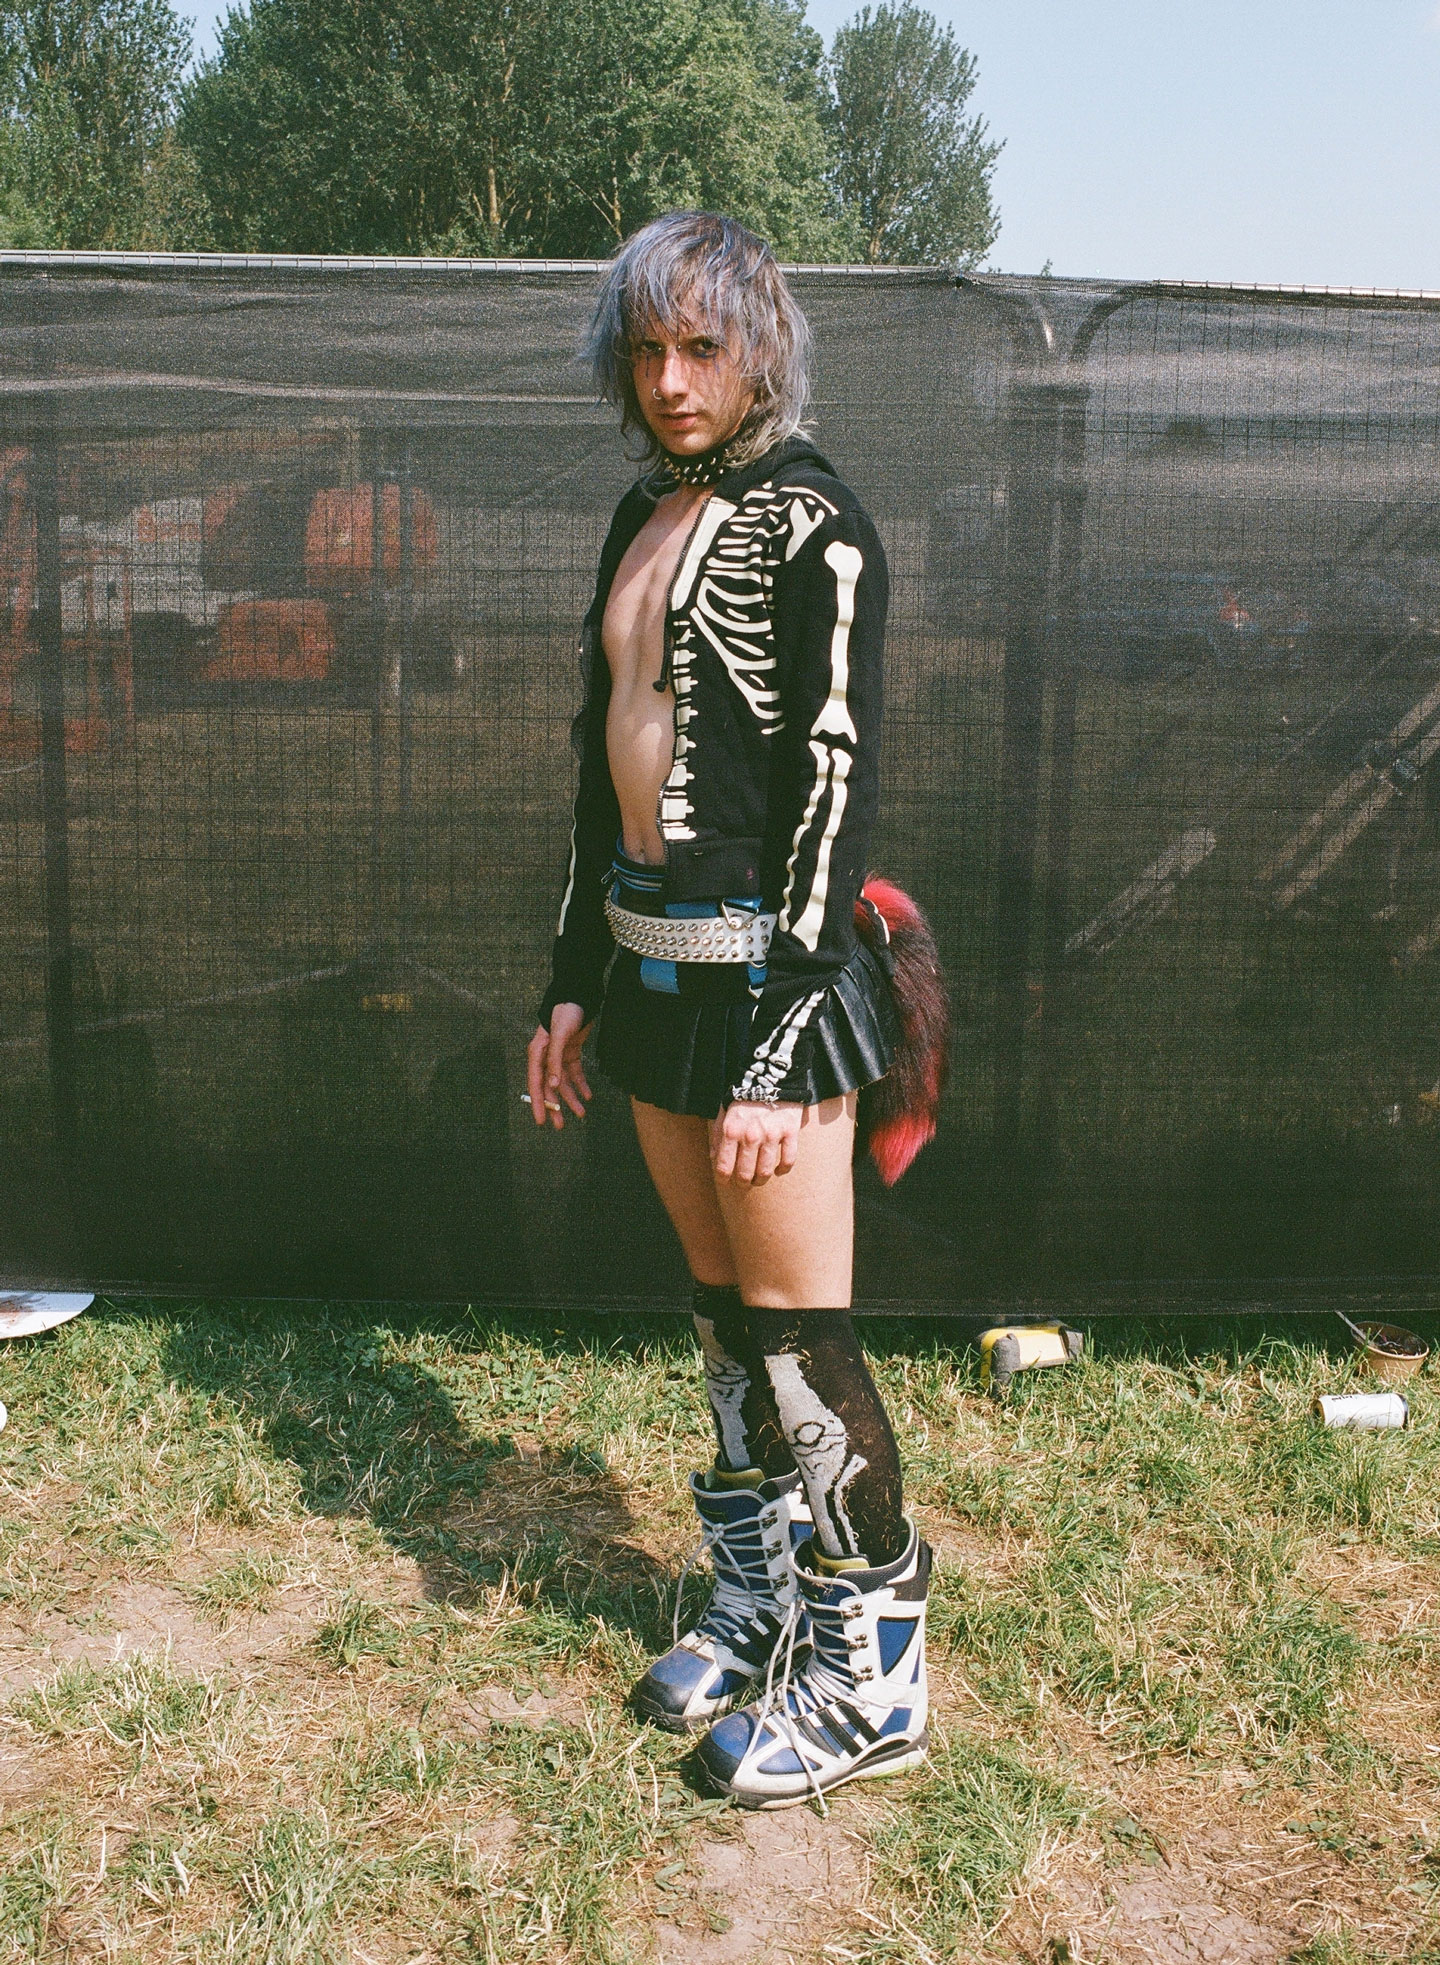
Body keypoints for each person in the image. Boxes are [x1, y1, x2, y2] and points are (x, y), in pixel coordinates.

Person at [526, 210, 933, 1811]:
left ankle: (874, 1662)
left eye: (702, 345)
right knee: (718, 1319)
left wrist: (789, 1024)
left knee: (797, 1332)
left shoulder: (820, 523)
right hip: (646, 964)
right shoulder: (644, 508)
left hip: (774, 977)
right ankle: (758, 1595)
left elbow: (834, 780)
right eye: (648, 346)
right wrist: (570, 980)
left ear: (760, 347)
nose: (673, 377)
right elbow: (595, 761)